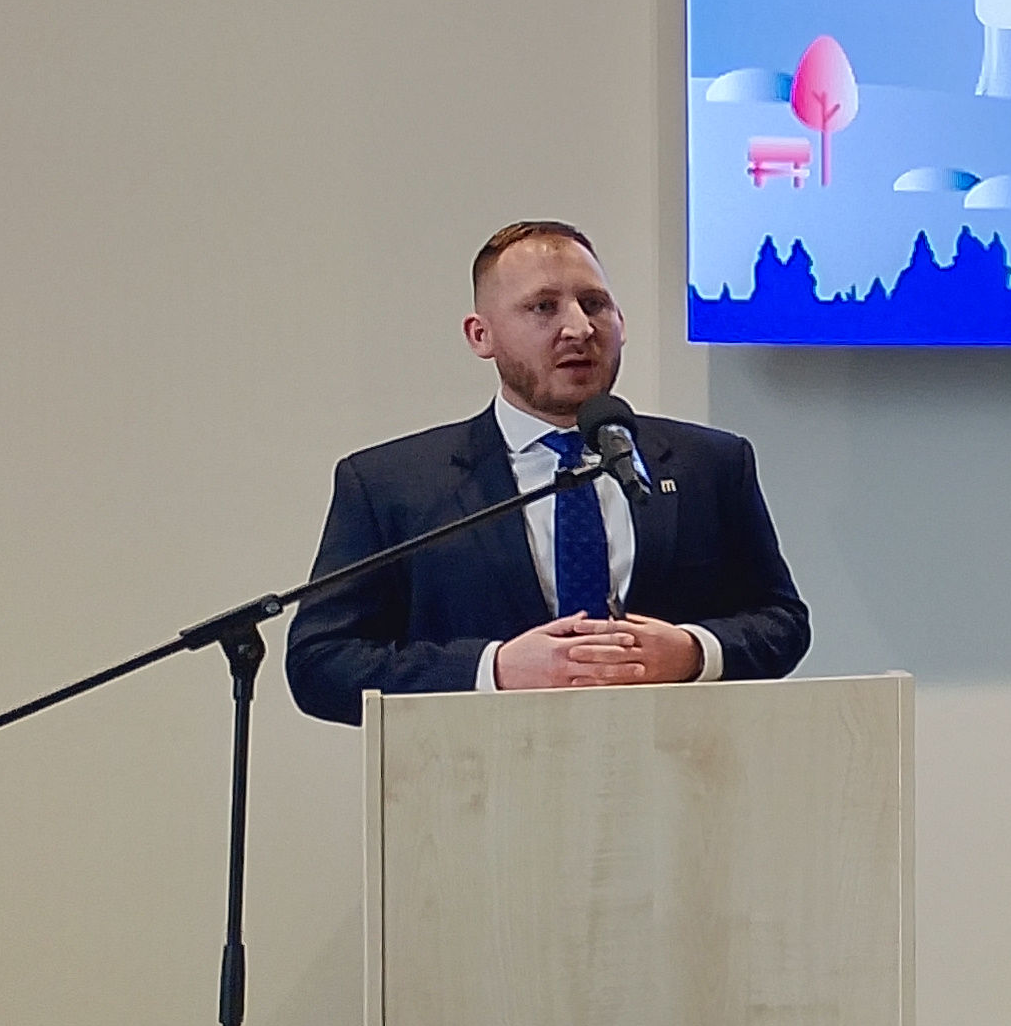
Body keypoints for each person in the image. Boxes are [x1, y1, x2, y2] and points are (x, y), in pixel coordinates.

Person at [287, 220, 809, 724]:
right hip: (477, 773)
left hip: (680, 766)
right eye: (543, 307)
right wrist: (492, 670)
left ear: (622, 323)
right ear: (481, 335)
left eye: (595, 304)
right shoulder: (392, 485)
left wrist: (695, 652)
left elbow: (782, 622)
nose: (579, 328)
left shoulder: (710, 465)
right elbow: (321, 663)